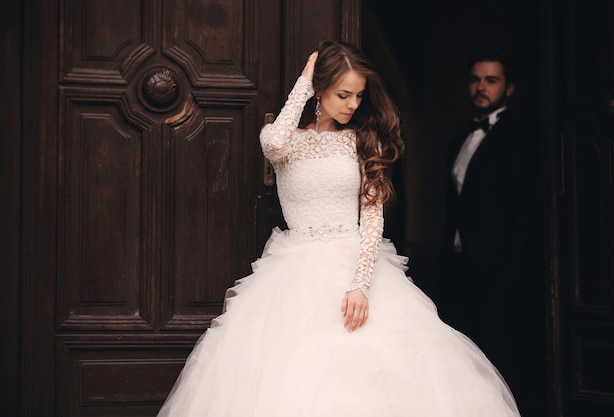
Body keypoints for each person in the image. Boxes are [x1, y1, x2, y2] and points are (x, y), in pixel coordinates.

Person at [156, 40, 520, 417]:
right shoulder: (285, 143)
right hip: (293, 271)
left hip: (354, 265)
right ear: (320, 90)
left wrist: (360, 286)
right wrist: (304, 81)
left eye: (359, 96)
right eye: (343, 94)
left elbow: (373, 218)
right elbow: (275, 141)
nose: (353, 105)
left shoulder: (364, 141)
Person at [432, 48, 528, 411]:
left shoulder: (518, 139)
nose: (481, 87)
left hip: (495, 273)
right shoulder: (459, 141)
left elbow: (523, 211)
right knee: (462, 367)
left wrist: (510, 273)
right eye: (475, 79)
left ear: (510, 88)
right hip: (457, 270)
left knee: (499, 364)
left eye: (491, 80)